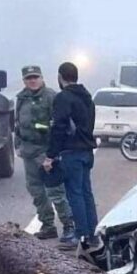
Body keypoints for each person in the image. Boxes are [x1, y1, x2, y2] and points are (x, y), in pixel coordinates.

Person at [14, 65, 75, 242]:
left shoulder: (51, 97)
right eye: (29, 78)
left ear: (41, 78)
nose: (32, 81)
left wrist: (54, 153)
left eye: (35, 77)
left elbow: (61, 125)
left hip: (46, 151)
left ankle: (69, 225)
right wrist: (17, 144)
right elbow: (18, 123)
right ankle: (47, 225)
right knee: (36, 190)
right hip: (28, 151)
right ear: (24, 80)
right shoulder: (21, 98)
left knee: (56, 191)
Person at [44, 62, 98, 248]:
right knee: (86, 193)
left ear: (60, 77)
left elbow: (59, 127)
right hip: (87, 151)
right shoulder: (87, 98)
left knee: (74, 194)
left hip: (71, 152)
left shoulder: (63, 98)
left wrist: (50, 156)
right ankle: (92, 234)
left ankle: (80, 235)